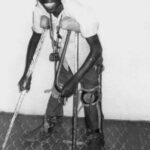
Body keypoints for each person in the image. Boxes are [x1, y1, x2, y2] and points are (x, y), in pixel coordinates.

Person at [18, 0, 105, 149]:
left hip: (88, 59)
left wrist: (74, 81)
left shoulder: (78, 9)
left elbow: (97, 49)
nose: (48, 1)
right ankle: (51, 123)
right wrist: (27, 73)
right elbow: (35, 37)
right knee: (57, 90)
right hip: (65, 59)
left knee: (89, 97)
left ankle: (95, 134)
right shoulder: (40, 8)